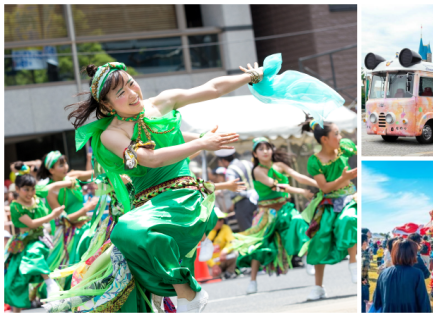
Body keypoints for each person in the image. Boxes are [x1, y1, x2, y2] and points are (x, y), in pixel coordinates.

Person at [49, 59, 262, 313]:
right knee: (128, 261)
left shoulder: (162, 102)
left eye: (131, 83)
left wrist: (250, 77)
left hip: (184, 195)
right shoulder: (111, 134)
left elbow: (213, 87)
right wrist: (202, 143)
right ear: (106, 104)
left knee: (127, 230)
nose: (132, 93)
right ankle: (179, 298)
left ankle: (187, 293)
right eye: (121, 93)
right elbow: (152, 159)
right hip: (148, 208)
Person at [234, 137, 317, 294]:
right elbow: (277, 186)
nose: (265, 151)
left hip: (285, 208)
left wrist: (317, 184)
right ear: (255, 153)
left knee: (299, 223)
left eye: (268, 148)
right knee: (259, 246)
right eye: (261, 149)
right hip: (267, 212)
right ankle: (253, 281)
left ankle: (307, 258)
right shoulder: (257, 171)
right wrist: (302, 192)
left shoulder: (279, 165)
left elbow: (298, 176)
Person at [300, 117, 358, 300]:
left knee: (349, 220)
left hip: (350, 198)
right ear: (324, 139)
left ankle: (354, 264)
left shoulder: (344, 149)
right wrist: (343, 177)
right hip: (328, 202)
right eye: (336, 134)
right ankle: (318, 287)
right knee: (319, 239)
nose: (340, 137)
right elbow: (324, 188)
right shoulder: (314, 161)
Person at [4, 174, 67, 312]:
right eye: (26, 189)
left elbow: (51, 186)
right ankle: (16, 312)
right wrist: (52, 215)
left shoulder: (35, 197)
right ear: (18, 189)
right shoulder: (15, 206)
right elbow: (31, 224)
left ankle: (50, 284)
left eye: (32, 189)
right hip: (21, 245)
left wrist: (68, 183)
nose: (30, 193)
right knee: (16, 283)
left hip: (38, 241)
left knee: (34, 253)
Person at [37, 150, 99, 290]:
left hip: (86, 226)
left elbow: (94, 174)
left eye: (65, 162)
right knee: (72, 269)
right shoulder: (51, 192)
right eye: (60, 165)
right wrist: (86, 208)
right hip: (69, 235)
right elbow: (64, 219)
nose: (65, 167)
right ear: (51, 170)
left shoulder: (72, 176)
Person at [370, 240, 432, 312]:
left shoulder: (383, 273)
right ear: (412, 254)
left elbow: (376, 302)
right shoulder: (417, 274)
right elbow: (423, 302)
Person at [216, 149, 258, 232]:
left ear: (224, 160)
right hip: (257, 199)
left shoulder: (230, 170)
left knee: (247, 232)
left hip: (242, 203)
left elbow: (234, 188)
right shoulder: (248, 163)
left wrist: (247, 194)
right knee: (258, 227)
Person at [206, 208, 237, 280]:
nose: (222, 221)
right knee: (212, 279)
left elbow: (232, 242)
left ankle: (229, 273)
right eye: (219, 219)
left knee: (235, 253)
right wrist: (213, 265)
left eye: (222, 219)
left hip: (222, 260)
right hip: (209, 264)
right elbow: (202, 252)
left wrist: (225, 250)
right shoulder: (205, 232)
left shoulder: (225, 228)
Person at [361, 234, 371, 313]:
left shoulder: (362, 252)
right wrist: (362, 279)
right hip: (363, 284)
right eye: (367, 241)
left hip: (363, 283)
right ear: (364, 243)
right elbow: (363, 266)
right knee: (364, 308)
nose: (368, 243)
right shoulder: (363, 254)